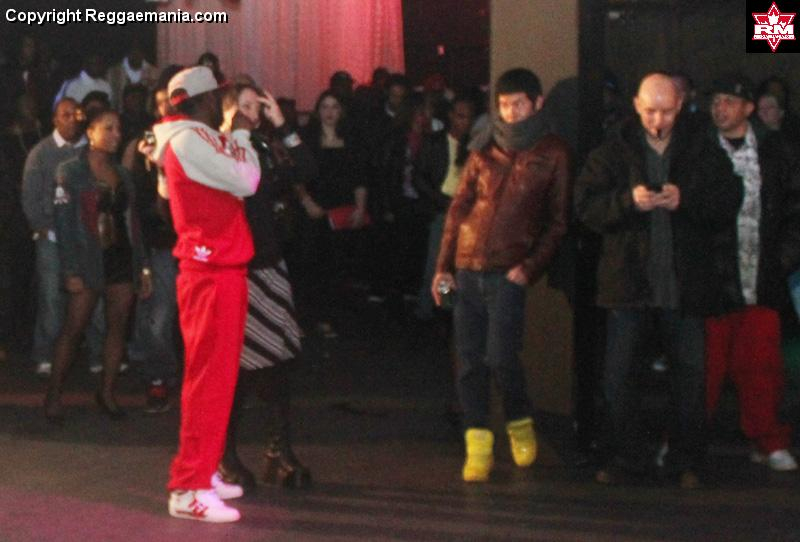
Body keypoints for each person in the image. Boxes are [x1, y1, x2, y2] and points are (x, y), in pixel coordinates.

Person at [575, 73, 742, 488]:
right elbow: (585, 206)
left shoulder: (701, 149)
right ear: (636, 105)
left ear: (680, 106)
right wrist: (626, 202)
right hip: (628, 285)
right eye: (650, 110)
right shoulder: (612, 151)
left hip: (683, 287)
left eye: (666, 111)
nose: (657, 120)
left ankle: (686, 461)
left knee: (690, 379)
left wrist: (687, 200)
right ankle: (628, 457)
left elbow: (728, 199)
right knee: (618, 377)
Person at [431, 68, 572, 482]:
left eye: (518, 104)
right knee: (469, 362)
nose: (510, 113)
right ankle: (477, 444)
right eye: (504, 105)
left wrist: (528, 268)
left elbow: (558, 222)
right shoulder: (484, 146)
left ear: (537, 103)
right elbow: (458, 209)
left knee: (501, 358)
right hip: (468, 265)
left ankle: (519, 422)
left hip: (507, 271)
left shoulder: (553, 152)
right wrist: (443, 267)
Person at [151, 66, 260, 523]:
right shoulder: (188, 139)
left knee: (217, 381)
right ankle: (188, 488)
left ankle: (203, 472)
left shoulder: (190, 136)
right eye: (218, 96)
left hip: (218, 269)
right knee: (208, 383)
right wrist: (243, 135)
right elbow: (247, 180)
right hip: (210, 272)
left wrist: (234, 137)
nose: (223, 102)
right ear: (203, 100)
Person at [217, 82, 317, 492]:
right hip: (236, 267)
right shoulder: (216, 149)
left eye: (256, 107)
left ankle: (279, 450)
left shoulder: (261, 144)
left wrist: (284, 126)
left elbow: (306, 171)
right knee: (239, 367)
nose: (252, 114)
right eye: (243, 106)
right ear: (226, 111)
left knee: (279, 360)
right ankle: (224, 454)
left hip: (269, 263)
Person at [707, 74, 800, 472]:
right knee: (705, 369)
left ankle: (769, 440)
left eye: (729, 101)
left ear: (748, 108)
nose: (720, 108)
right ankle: (685, 442)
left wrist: (782, 259)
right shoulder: (700, 150)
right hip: (713, 283)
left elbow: (794, 209)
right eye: (716, 101)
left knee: (762, 368)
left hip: (761, 279)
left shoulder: (776, 152)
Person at [44, 108, 151, 422]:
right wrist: (70, 270)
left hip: (120, 257)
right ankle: (53, 394)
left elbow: (133, 224)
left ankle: (106, 392)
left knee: (117, 327)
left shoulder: (123, 174)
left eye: (118, 128)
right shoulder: (70, 171)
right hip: (87, 258)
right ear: (90, 132)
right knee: (73, 328)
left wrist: (143, 266)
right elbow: (64, 226)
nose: (116, 134)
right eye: (108, 128)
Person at [22, 98, 103, 377]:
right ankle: (45, 354)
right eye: (65, 115)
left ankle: (98, 354)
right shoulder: (41, 152)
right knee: (51, 297)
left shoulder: (88, 150)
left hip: (85, 237)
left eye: (75, 114)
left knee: (92, 295)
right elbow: (30, 194)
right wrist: (40, 225)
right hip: (53, 236)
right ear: (55, 119)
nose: (71, 119)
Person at [296, 90, 368, 336]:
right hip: (313, 210)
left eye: (334, 106)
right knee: (309, 264)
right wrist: (306, 201)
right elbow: (296, 173)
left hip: (340, 210)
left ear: (341, 111)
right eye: (325, 107)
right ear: (318, 111)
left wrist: (360, 207)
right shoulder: (307, 138)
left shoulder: (351, 139)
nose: (329, 112)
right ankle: (306, 319)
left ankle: (330, 317)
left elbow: (359, 177)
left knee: (336, 265)